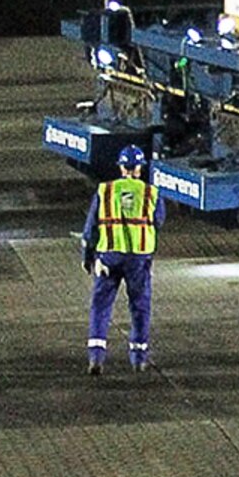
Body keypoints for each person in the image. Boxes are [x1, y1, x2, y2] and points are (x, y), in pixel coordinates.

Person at [82, 144, 159, 376]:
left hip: (108, 257)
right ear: (139, 169)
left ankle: (96, 357)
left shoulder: (105, 191)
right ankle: (138, 357)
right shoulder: (150, 193)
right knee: (140, 307)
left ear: (121, 167)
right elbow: (158, 221)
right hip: (138, 260)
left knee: (101, 306)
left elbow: (90, 229)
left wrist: (89, 258)